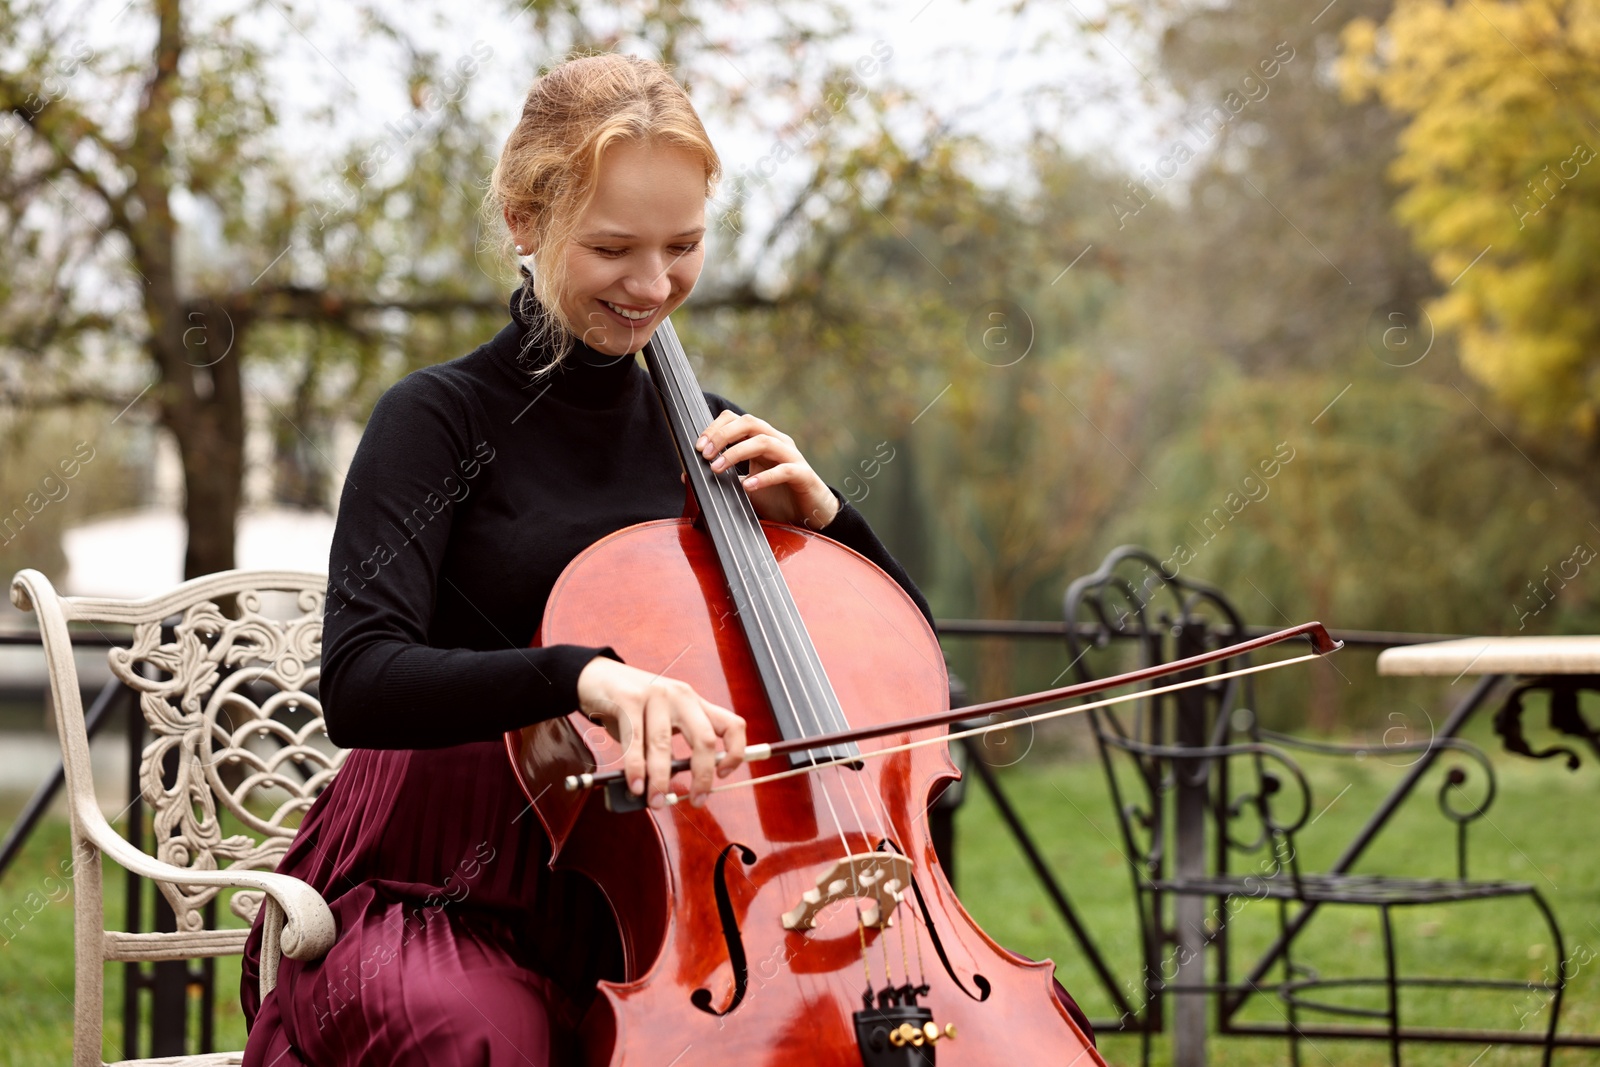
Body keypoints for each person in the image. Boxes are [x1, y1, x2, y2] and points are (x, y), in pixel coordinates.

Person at [240, 51, 1091, 1066]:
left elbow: (902, 694)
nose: (653, 287)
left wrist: (828, 517)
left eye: (682, 246)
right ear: (525, 217)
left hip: (684, 898)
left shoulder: (714, 438)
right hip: (446, 891)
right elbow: (361, 678)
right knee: (479, 1038)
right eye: (612, 248)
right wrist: (578, 675)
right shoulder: (436, 418)